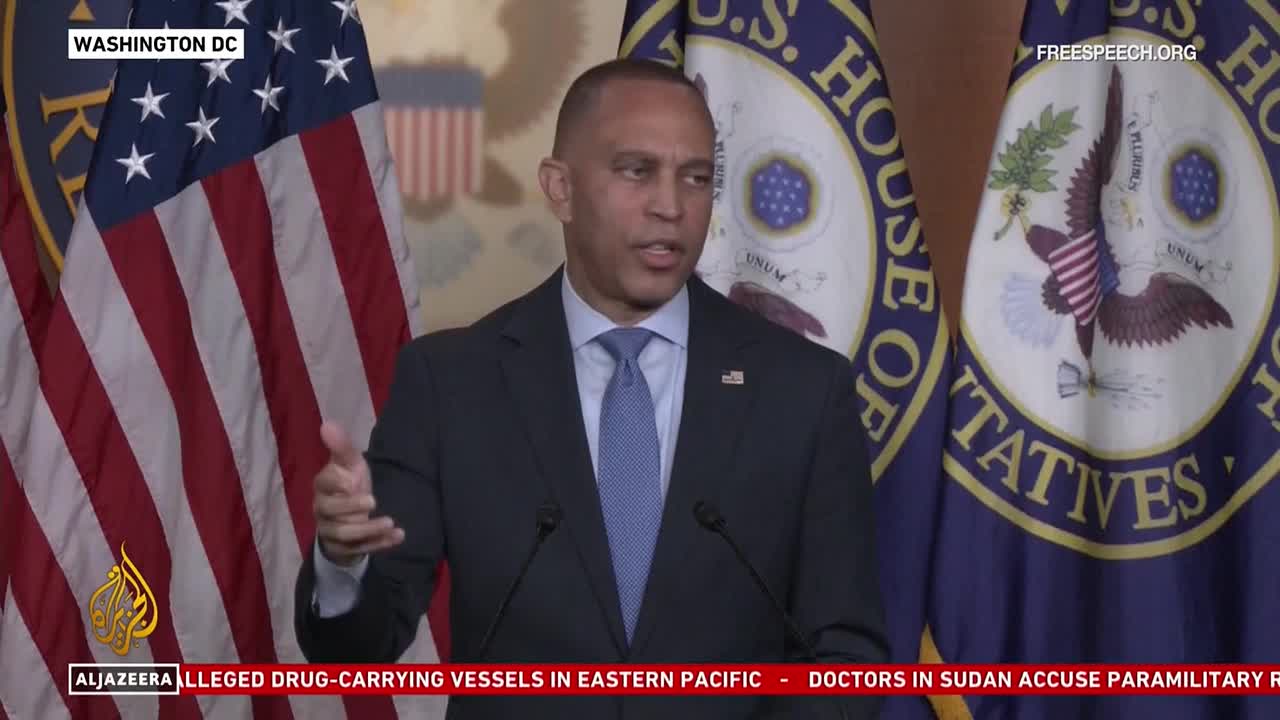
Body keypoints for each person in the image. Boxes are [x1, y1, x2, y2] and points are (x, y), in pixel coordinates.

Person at [294, 57, 888, 719]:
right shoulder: (451, 384)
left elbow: (844, 657)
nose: (671, 205)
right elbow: (356, 650)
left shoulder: (803, 390)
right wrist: (342, 564)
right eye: (637, 171)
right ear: (560, 189)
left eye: (696, 177)